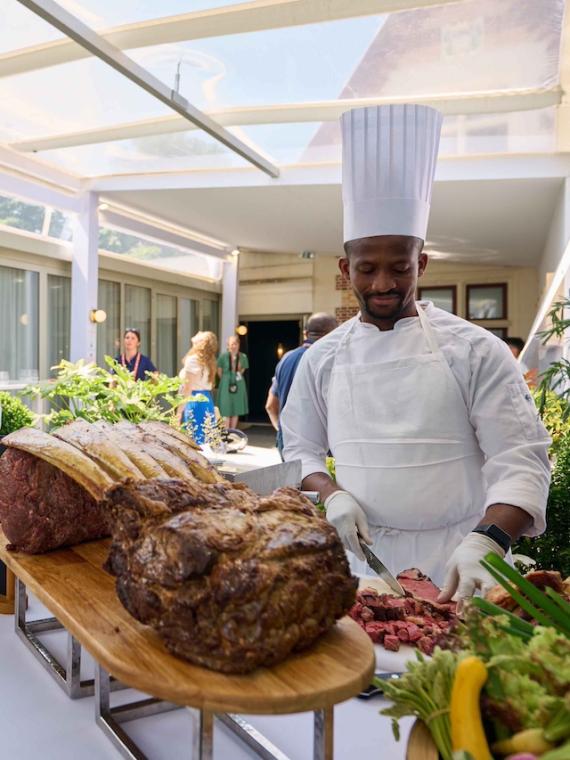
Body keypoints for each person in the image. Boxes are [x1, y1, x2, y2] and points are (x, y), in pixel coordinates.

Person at [281, 103, 551, 603]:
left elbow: (521, 459)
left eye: (400, 267)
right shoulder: (323, 359)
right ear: (346, 267)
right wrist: (331, 492)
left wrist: (488, 540)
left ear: (421, 262)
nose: (383, 284)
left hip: (464, 563)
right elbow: (299, 449)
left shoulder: (475, 350)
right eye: (367, 269)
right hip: (363, 563)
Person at [265, 313, 337, 459]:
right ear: (333, 333)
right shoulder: (334, 358)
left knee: (290, 482)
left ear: (306, 333)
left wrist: (282, 431)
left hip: (288, 443)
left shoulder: (286, 358)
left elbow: (270, 405)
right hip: (323, 446)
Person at [179, 331, 218, 446]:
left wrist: (178, 412)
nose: (198, 332)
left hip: (194, 400)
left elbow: (187, 388)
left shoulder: (194, 359)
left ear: (203, 342)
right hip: (206, 399)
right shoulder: (207, 360)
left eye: (201, 333)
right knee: (205, 439)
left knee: (194, 440)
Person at [217, 335, 249, 429]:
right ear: (228, 345)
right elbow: (219, 371)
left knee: (236, 407)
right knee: (225, 407)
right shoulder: (223, 356)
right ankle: (226, 431)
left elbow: (243, 369)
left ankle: (233, 431)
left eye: (235, 344)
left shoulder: (243, 356)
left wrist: (236, 372)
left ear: (238, 345)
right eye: (231, 344)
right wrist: (225, 380)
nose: (233, 346)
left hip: (238, 382)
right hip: (225, 382)